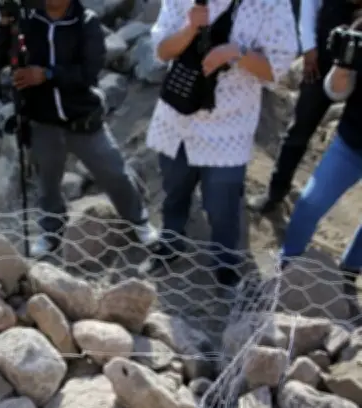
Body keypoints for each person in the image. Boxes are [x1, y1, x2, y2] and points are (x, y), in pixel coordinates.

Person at [141, 0, 298, 285]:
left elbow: (277, 69)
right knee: (174, 189)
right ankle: (171, 242)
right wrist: (189, 29)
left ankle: (226, 263)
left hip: (230, 125)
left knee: (222, 204)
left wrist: (235, 53)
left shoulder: (271, 4)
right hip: (179, 116)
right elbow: (161, 51)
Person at [0, 0, 160, 257]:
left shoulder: (86, 21)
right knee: (47, 182)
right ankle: (51, 232)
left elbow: (88, 72)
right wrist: (4, 26)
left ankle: (139, 221)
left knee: (113, 171)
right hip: (41, 118)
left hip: (82, 117)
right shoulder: (26, 19)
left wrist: (46, 74)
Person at [247, 0, 360, 214]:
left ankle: (319, 206)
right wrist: (309, 47)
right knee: (299, 130)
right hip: (322, 59)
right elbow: (310, 5)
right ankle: (275, 192)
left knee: (351, 144)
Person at [279, 18, 362, 284]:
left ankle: (348, 277)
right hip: (352, 142)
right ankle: (287, 269)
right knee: (309, 204)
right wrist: (342, 67)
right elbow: (335, 92)